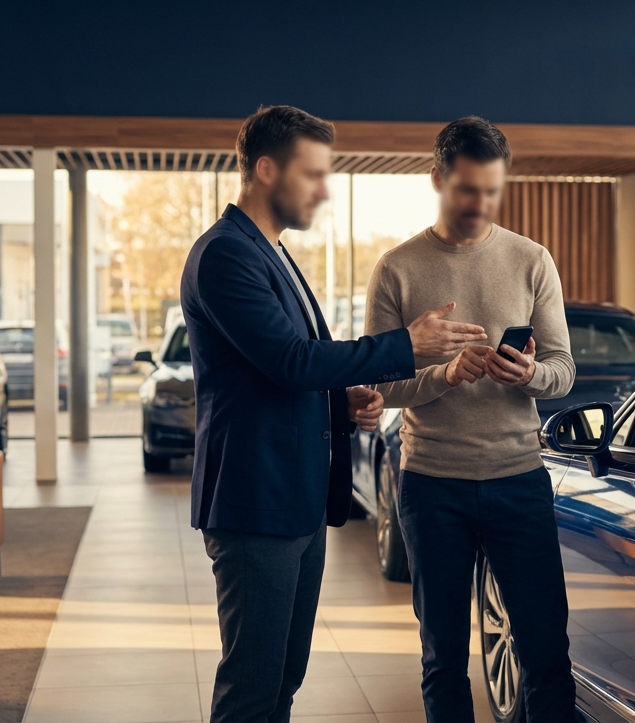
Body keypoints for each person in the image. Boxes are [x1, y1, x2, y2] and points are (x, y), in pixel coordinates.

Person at [180, 105, 487, 723]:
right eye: (313, 174)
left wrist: (340, 400)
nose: (324, 190)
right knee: (252, 687)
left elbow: (284, 370)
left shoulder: (273, 253)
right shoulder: (224, 256)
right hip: (255, 503)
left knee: (283, 679)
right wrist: (407, 345)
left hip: (293, 502)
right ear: (266, 169)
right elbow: (291, 360)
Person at [365, 117, 577, 722]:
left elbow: (562, 370)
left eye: (491, 190)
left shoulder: (532, 260)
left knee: (545, 653)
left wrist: (527, 375)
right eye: (467, 190)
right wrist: (448, 374)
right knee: (443, 659)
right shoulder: (397, 268)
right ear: (437, 179)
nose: (480, 204)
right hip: (433, 486)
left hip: (519, 480)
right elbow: (386, 384)